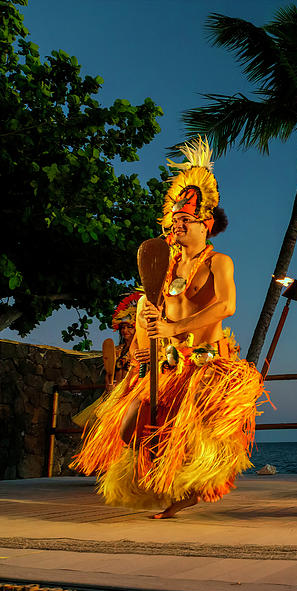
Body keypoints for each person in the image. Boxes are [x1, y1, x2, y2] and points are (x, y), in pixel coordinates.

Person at [72, 137, 264, 518]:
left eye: (185, 220)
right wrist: (142, 349)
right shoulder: (166, 266)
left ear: (205, 224)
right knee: (130, 425)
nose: (177, 225)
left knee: (194, 432)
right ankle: (161, 477)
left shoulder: (218, 262)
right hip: (166, 365)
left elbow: (227, 305)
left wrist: (176, 328)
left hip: (206, 365)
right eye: (174, 219)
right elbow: (147, 309)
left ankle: (192, 488)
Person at [72, 291, 142, 428]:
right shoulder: (116, 350)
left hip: (129, 394)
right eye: (123, 327)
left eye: (129, 327)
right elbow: (109, 369)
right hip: (112, 394)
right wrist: (110, 384)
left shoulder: (140, 350)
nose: (125, 331)